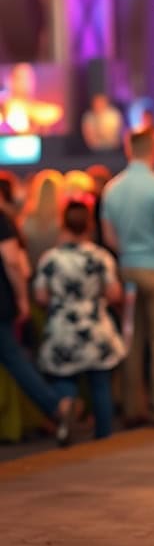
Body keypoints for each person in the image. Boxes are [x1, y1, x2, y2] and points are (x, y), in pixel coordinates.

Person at [100, 126, 154, 427]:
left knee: (131, 340)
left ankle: (132, 407)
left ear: (128, 148)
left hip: (127, 268)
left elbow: (110, 238)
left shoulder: (112, 188)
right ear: (153, 148)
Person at [34, 200, 125, 443]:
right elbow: (114, 293)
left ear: (63, 225)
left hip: (62, 326)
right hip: (95, 325)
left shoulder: (50, 259)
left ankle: (65, 413)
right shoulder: (100, 256)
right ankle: (104, 437)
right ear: (89, 225)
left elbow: (41, 296)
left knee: (64, 377)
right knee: (100, 383)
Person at [0, 173, 72, 440]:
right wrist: (21, 299)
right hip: (9, 300)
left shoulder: (26, 222)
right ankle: (56, 405)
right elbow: (11, 261)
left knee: (16, 359)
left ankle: (55, 406)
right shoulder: (4, 219)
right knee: (17, 359)